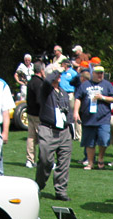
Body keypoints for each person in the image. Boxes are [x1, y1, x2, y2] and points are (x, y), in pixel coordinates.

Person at [35, 69, 73, 201]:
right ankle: (38, 185)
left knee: (64, 162)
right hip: (48, 129)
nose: (59, 76)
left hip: (64, 130)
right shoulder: (45, 90)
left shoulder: (63, 92)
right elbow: (46, 81)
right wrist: (55, 71)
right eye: (57, 74)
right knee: (45, 160)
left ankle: (61, 190)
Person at [73, 65, 113, 170]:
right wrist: (76, 112)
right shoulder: (85, 85)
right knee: (89, 142)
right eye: (97, 73)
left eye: (101, 73)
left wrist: (102, 97)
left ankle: (101, 158)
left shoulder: (107, 85)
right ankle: (90, 162)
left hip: (103, 118)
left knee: (104, 139)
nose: (100, 75)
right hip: (88, 118)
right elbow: (78, 98)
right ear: (93, 73)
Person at [24, 61, 45, 169]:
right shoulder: (39, 83)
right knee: (42, 138)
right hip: (37, 114)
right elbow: (39, 99)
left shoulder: (31, 81)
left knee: (31, 137)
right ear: (41, 70)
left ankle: (29, 160)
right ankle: (43, 160)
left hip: (30, 112)